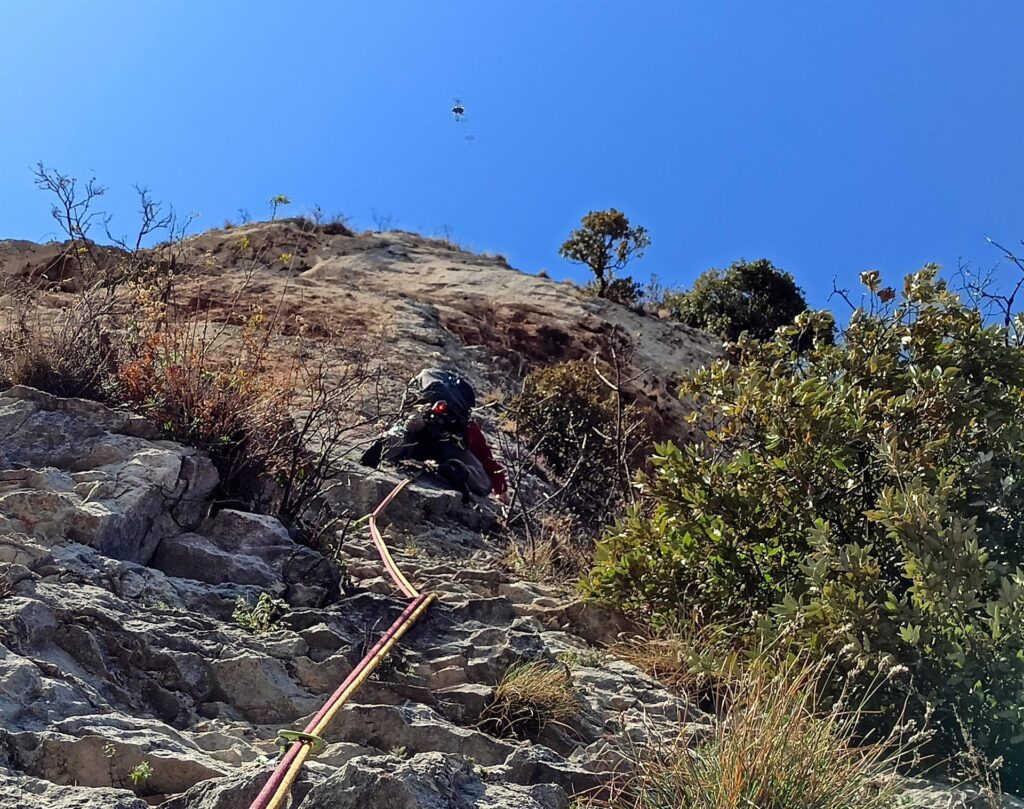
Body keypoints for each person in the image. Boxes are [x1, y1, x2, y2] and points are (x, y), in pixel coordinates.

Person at [361, 368, 508, 503]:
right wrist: (501, 489)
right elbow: (485, 456)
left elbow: (401, 426)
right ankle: (457, 470)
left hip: (416, 438)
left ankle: (387, 444)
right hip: (447, 447)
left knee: (403, 437)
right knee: (483, 482)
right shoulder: (465, 424)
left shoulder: (418, 409)